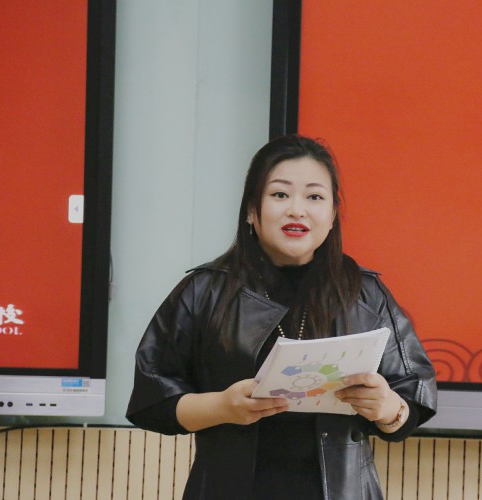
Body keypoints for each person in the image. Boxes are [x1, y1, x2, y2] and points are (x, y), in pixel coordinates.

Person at [126, 135, 437, 499]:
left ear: (332, 215)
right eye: (280, 194)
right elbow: (152, 401)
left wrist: (387, 409)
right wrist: (222, 407)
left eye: (314, 197)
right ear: (251, 210)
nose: (297, 210)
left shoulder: (364, 293)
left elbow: (412, 398)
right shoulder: (204, 291)